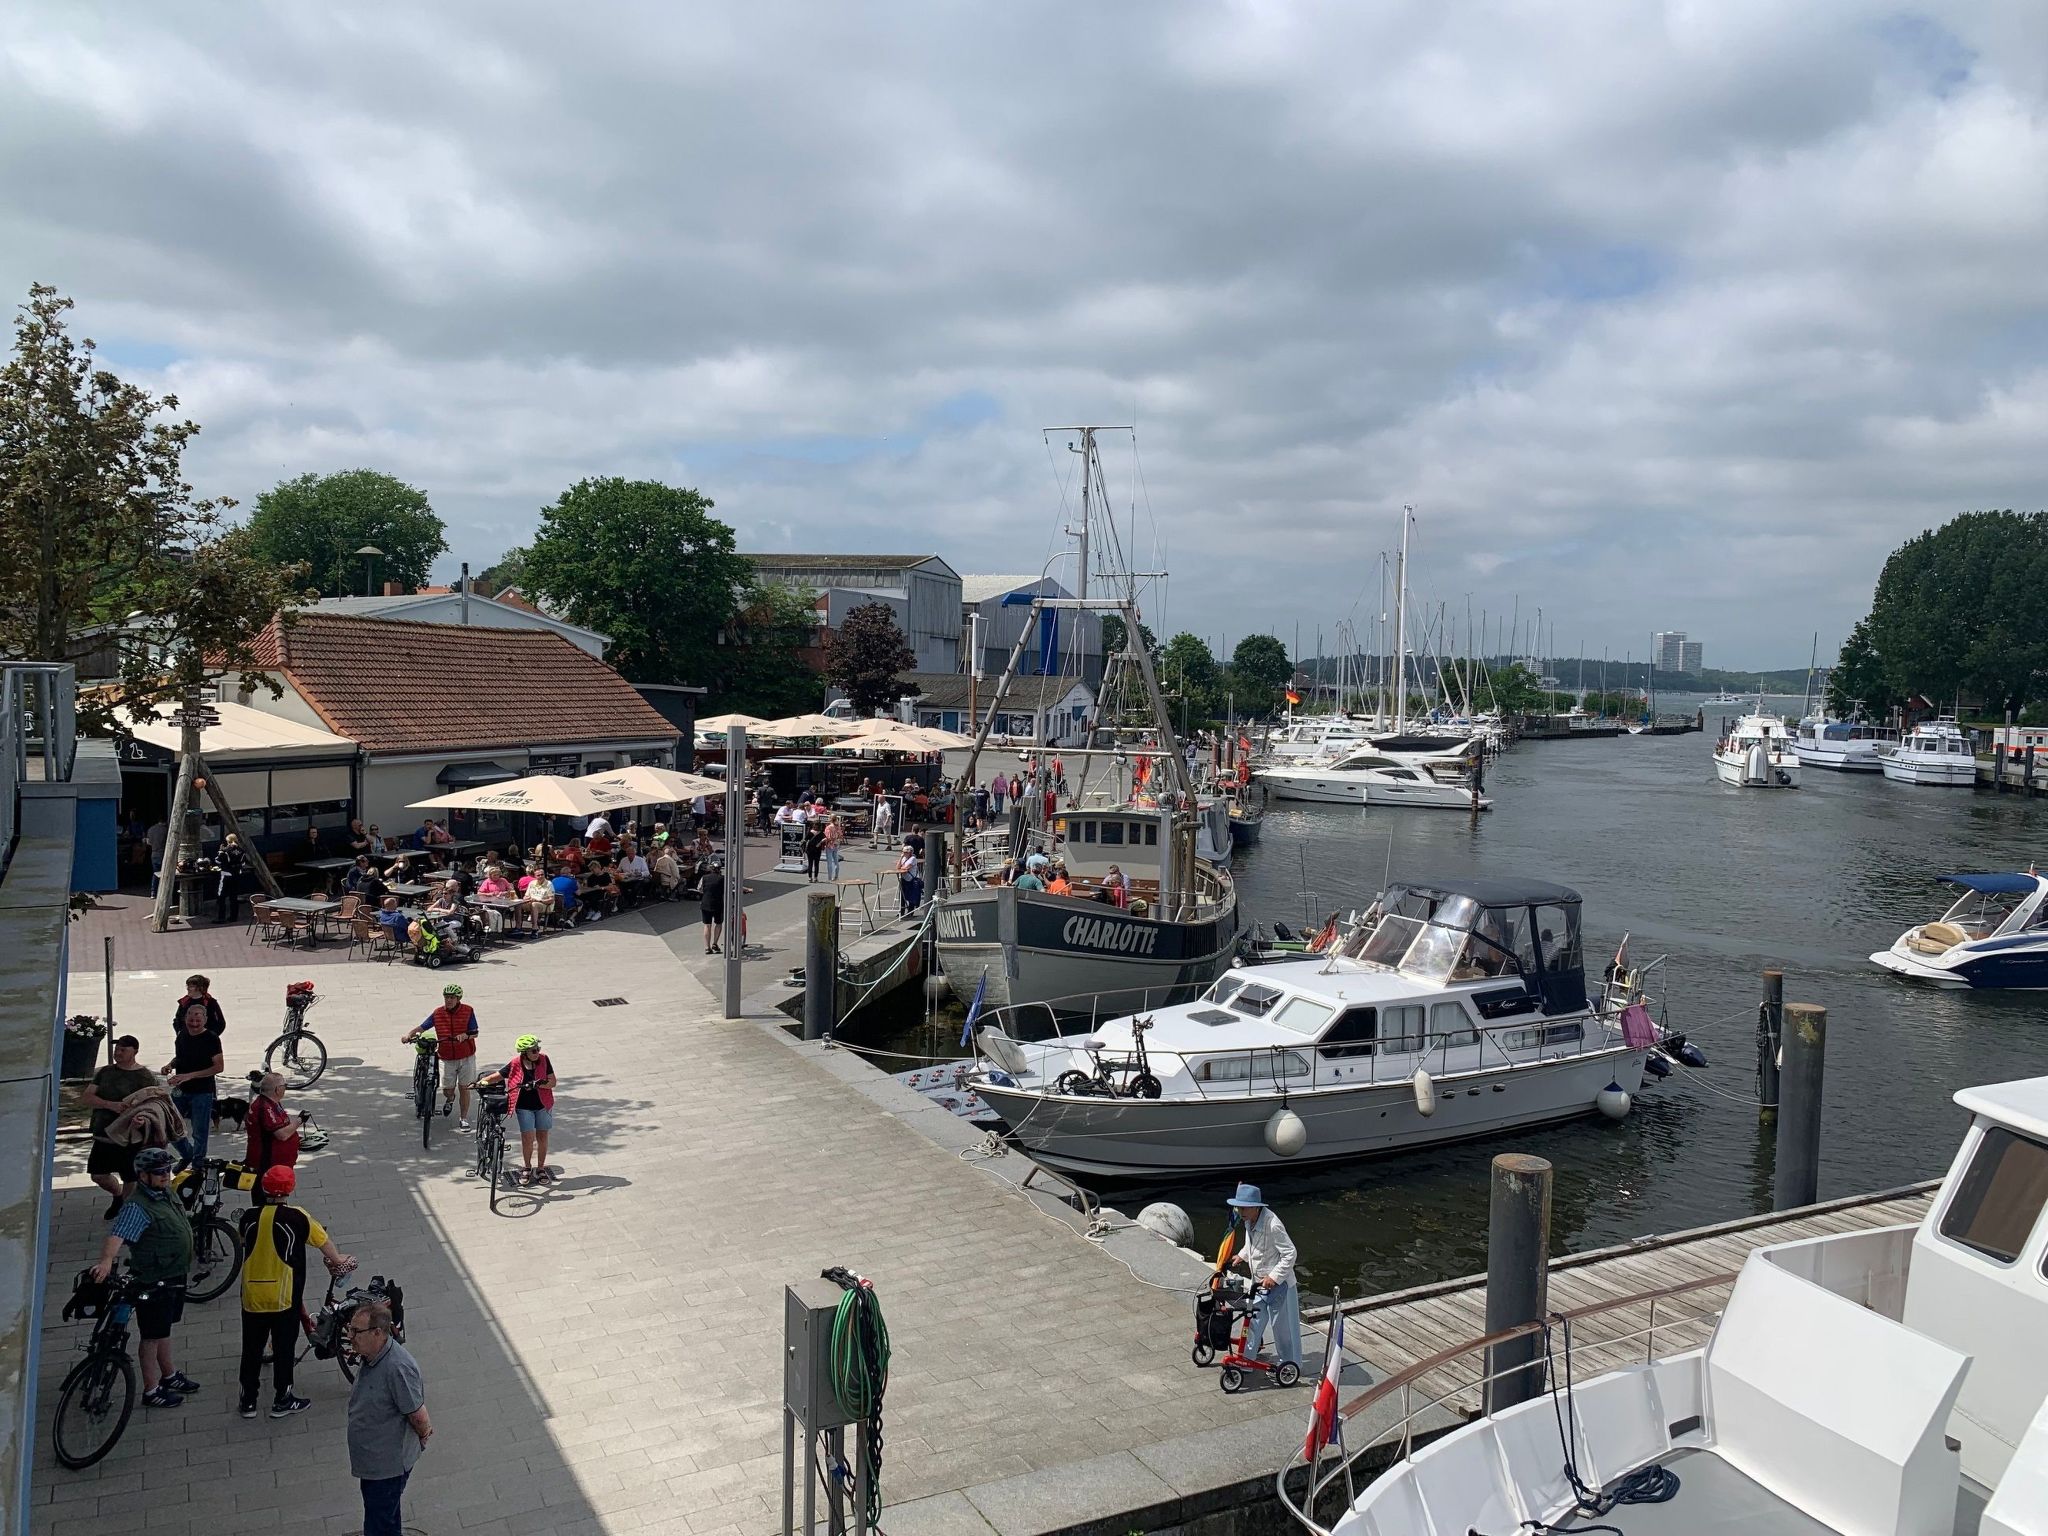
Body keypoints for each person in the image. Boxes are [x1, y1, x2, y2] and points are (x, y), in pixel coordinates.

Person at [237, 1164, 354, 1419]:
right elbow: (326, 1247)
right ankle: (283, 1398)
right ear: (290, 1189)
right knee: (283, 1346)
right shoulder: (297, 1217)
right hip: (284, 1294)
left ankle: (248, 1400)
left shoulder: (248, 1217)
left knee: (252, 1347)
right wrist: (339, 1259)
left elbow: (246, 1243)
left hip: (252, 1295)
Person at [90, 1146, 199, 1407]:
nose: (165, 1175)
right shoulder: (138, 1206)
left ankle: (169, 1374)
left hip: (174, 1274)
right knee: (150, 1336)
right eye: (158, 1172)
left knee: (164, 1330)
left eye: (167, 1170)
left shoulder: (164, 1193)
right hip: (154, 1279)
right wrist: (106, 1261)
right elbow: (118, 1234)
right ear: (143, 1176)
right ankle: (151, 1390)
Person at [346, 1299, 430, 1536]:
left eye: (356, 1331)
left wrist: (423, 1435)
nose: (350, 1336)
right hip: (374, 1463)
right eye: (349, 1329)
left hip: (387, 1467)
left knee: (379, 1524)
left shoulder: (397, 1368)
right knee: (384, 1516)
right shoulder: (371, 1355)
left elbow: (418, 1415)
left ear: (378, 1333)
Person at [1225, 1183, 1301, 1371]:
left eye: (1243, 1207)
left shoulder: (1273, 1225)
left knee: (1282, 1329)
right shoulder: (1248, 1221)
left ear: (1255, 1207)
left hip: (1279, 1286)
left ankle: (1289, 1364)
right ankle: (1247, 1361)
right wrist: (1241, 1256)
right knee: (1253, 1321)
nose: (1240, 1211)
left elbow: (1290, 1253)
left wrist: (1274, 1277)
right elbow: (1252, 1245)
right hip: (1259, 1284)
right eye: (1239, 1207)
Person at [84, 1035, 158, 1218]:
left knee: (130, 1176)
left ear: (135, 1051)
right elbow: (87, 1097)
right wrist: (110, 1105)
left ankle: (126, 1210)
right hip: (104, 1132)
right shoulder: (105, 1072)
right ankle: (117, 1195)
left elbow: (154, 1104)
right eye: (117, 1049)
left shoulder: (145, 1076)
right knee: (98, 1174)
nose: (118, 1053)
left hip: (130, 1135)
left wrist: (141, 1120)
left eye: (123, 1049)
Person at [401, 984, 481, 1132]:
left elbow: (475, 1032)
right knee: (447, 1089)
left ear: (458, 999)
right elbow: (423, 1027)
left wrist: (465, 1036)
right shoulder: (438, 1013)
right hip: (446, 1057)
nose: (448, 1000)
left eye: (452, 998)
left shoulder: (468, 1011)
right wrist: (409, 1034)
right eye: (446, 997)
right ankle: (450, 1099)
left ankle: (463, 1118)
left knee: (464, 1088)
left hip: (466, 1056)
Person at [480, 1035, 557, 1186]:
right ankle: (527, 1167)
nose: (537, 1052)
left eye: (537, 1049)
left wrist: (537, 1084)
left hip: (543, 1105)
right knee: (527, 1139)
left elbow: (553, 1082)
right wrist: (482, 1082)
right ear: (524, 1053)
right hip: (524, 1107)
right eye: (534, 1050)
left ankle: (540, 1168)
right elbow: (499, 1075)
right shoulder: (516, 1063)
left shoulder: (544, 1060)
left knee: (542, 1137)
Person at [164, 1001, 224, 1166]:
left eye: (198, 1020)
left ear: (205, 1020)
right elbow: (181, 1057)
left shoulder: (211, 1039)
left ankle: (198, 1162)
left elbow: (219, 1067)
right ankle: (188, 1154)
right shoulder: (182, 1034)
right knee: (170, 1124)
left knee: (199, 1130)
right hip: (180, 1089)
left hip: (202, 1091)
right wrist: (170, 1065)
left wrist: (190, 1076)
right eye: (191, 1019)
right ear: (185, 1019)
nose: (194, 1023)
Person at [245, 1071, 302, 1181]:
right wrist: (299, 1121)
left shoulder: (271, 1102)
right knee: (267, 1195)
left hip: (276, 1164)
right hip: (269, 1166)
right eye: (284, 1086)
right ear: (278, 1089)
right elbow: (282, 1135)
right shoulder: (265, 1108)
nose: (285, 1088)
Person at [213, 834, 251, 924]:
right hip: (236, 875)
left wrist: (220, 851)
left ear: (228, 842)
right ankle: (234, 917)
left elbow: (218, 861)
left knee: (221, 897)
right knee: (233, 897)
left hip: (226, 875)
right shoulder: (241, 851)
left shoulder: (226, 851)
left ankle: (221, 917)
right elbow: (243, 864)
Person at [895, 841, 923, 913]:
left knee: (911, 895)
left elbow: (906, 868)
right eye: (903, 852)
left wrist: (902, 867)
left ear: (910, 852)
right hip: (904, 878)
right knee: (902, 895)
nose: (904, 853)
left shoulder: (913, 858)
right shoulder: (904, 858)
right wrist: (901, 858)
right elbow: (898, 867)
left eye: (905, 852)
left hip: (911, 879)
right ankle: (901, 911)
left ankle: (910, 911)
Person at [822, 813, 844, 882]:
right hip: (836, 844)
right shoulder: (837, 827)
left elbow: (828, 837)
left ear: (830, 819)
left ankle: (830, 877)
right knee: (836, 862)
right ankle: (836, 876)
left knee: (829, 862)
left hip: (829, 845)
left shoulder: (828, 827)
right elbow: (841, 836)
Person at [802, 817, 824, 882]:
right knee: (816, 864)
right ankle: (815, 878)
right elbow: (825, 838)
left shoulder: (810, 832)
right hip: (817, 849)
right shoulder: (821, 833)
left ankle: (810, 878)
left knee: (810, 864)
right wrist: (820, 843)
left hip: (810, 849)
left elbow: (805, 840)